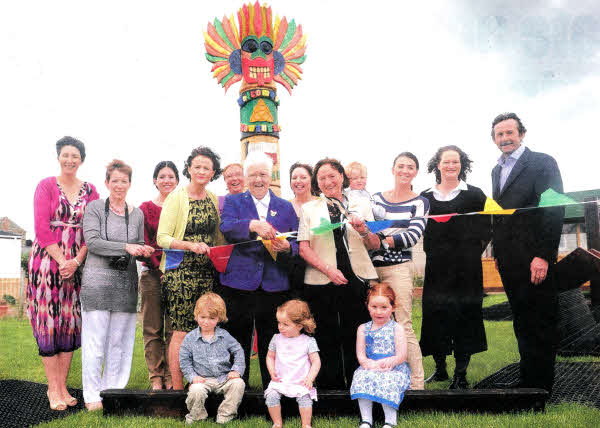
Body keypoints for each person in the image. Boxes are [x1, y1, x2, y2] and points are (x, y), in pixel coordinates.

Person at [490, 112, 564, 393]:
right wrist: (497, 252)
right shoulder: (496, 170)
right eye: (500, 134)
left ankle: (543, 385)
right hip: (509, 261)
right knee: (522, 320)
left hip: (535, 258)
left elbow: (553, 207)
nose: (505, 138)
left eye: (510, 132)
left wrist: (544, 254)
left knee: (540, 320)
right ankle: (527, 380)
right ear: (494, 138)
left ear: (521, 134)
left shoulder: (543, 163)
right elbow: (500, 215)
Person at [27, 136, 99, 410]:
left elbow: (93, 230)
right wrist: (61, 260)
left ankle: (63, 386)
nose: (70, 160)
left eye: (75, 156)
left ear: (81, 160)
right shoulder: (45, 186)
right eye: (66, 155)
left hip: (78, 264)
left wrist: (76, 261)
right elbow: (41, 227)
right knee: (49, 324)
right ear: (58, 157)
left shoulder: (91, 191)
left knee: (69, 323)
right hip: (46, 264)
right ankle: (52, 389)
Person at [219, 151, 299, 389]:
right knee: (238, 339)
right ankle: (237, 390)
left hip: (273, 284)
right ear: (246, 177)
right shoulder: (234, 201)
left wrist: (287, 248)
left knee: (270, 340)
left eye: (263, 174)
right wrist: (253, 225)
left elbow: (297, 241)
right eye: (253, 175)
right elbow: (227, 227)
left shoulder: (284, 207)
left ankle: (271, 390)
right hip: (240, 283)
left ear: (270, 176)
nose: (258, 180)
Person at [298, 158, 380, 389]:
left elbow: (374, 244)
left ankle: (359, 387)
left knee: (356, 335)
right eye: (322, 178)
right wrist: (328, 270)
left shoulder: (361, 205)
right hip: (321, 280)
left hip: (356, 279)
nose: (328, 181)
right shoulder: (309, 209)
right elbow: (304, 247)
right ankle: (331, 390)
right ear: (317, 183)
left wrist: (364, 230)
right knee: (326, 336)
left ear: (342, 177)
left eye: (332, 176)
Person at [81, 159, 154, 410]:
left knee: (120, 343)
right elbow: (93, 243)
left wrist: (143, 249)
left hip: (125, 286)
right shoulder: (94, 208)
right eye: (115, 181)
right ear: (106, 183)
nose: (119, 185)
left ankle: (113, 392)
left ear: (130, 184)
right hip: (97, 285)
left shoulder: (137, 214)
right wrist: (125, 247)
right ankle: (91, 395)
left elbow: (139, 244)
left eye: (124, 181)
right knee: (95, 342)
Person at [420, 146, 490, 389]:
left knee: (465, 316)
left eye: (455, 162)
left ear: (462, 165)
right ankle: (440, 369)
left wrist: (469, 253)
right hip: (436, 268)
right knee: (435, 315)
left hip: (467, 269)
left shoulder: (475, 194)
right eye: (446, 162)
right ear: (437, 165)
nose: (451, 166)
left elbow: (487, 230)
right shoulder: (425, 197)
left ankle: (461, 374)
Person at [157, 146, 225, 390]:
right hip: (181, 273)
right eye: (197, 166)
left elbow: (217, 238)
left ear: (213, 172)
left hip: (207, 273)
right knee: (182, 330)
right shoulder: (177, 197)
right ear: (189, 169)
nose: (201, 171)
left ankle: (201, 385)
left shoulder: (213, 199)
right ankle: (176, 389)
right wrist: (190, 245)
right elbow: (162, 238)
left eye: (206, 167)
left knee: (205, 329)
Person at [370, 152, 429, 389]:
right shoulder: (375, 199)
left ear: (415, 172)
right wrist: (391, 231)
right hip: (372, 270)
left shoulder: (420, 202)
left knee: (403, 324)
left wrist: (382, 237)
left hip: (399, 268)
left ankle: (417, 383)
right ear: (393, 169)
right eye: (401, 166)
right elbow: (367, 230)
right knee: (375, 324)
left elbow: (413, 235)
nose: (405, 171)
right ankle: (382, 376)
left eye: (410, 167)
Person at [138, 161, 179, 390]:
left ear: (177, 181)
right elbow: (144, 242)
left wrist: (170, 270)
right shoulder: (145, 208)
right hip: (152, 275)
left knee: (174, 327)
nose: (166, 180)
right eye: (162, 176)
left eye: (171, 176)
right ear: (155, 180)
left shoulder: (182, 206)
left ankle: (172, 374)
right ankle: (156, 376)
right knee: (152, 327)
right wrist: (159, 268)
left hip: (176, 273)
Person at [179, 292, 245, 425]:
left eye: (211, 318)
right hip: (202, 379)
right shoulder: (190, 338)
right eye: (203, 317)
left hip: (224, 378)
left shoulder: (224, 336)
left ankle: (225, 416)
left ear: (219, 318)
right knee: (196, 391)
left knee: (239, 384)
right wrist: (192, 377)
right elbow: (184, 361)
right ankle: (197, 416)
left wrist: (236, 370)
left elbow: (238, 351)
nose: (206, 322)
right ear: (196, 315)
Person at [350, 282, 410, 428]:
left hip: (393, 367)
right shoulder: (363, 329)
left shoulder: (396, 329)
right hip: (370, 365)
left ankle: (390, 421)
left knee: (388, 380)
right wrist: (367, 364)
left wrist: (389, 362)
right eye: (374, 307)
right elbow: (361, 354)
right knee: (361, 377)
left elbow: (402, 355)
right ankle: (366, 420)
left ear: (393, 307)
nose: (379, 312)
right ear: (367, 306)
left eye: (384, 307)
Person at [265, 299, 321, 428]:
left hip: (300, 381)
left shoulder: (308, 341)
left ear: (299, 326)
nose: (280, 327)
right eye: (279, 323)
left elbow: (316, 361)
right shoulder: (276, 339)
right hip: (280, 380)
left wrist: (310, 378)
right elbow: (270, 356)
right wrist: (271, 370)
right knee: (271, 396)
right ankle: (277, 423)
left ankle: (306, 424)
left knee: (305, 398)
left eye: (285, 324)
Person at [288, 163, 318, 293]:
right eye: (294, 178)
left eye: (303, 177)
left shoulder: (322, 203)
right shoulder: (284, 206)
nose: (298, 181)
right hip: (292, 267)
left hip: (318, 265)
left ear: (311, 179)